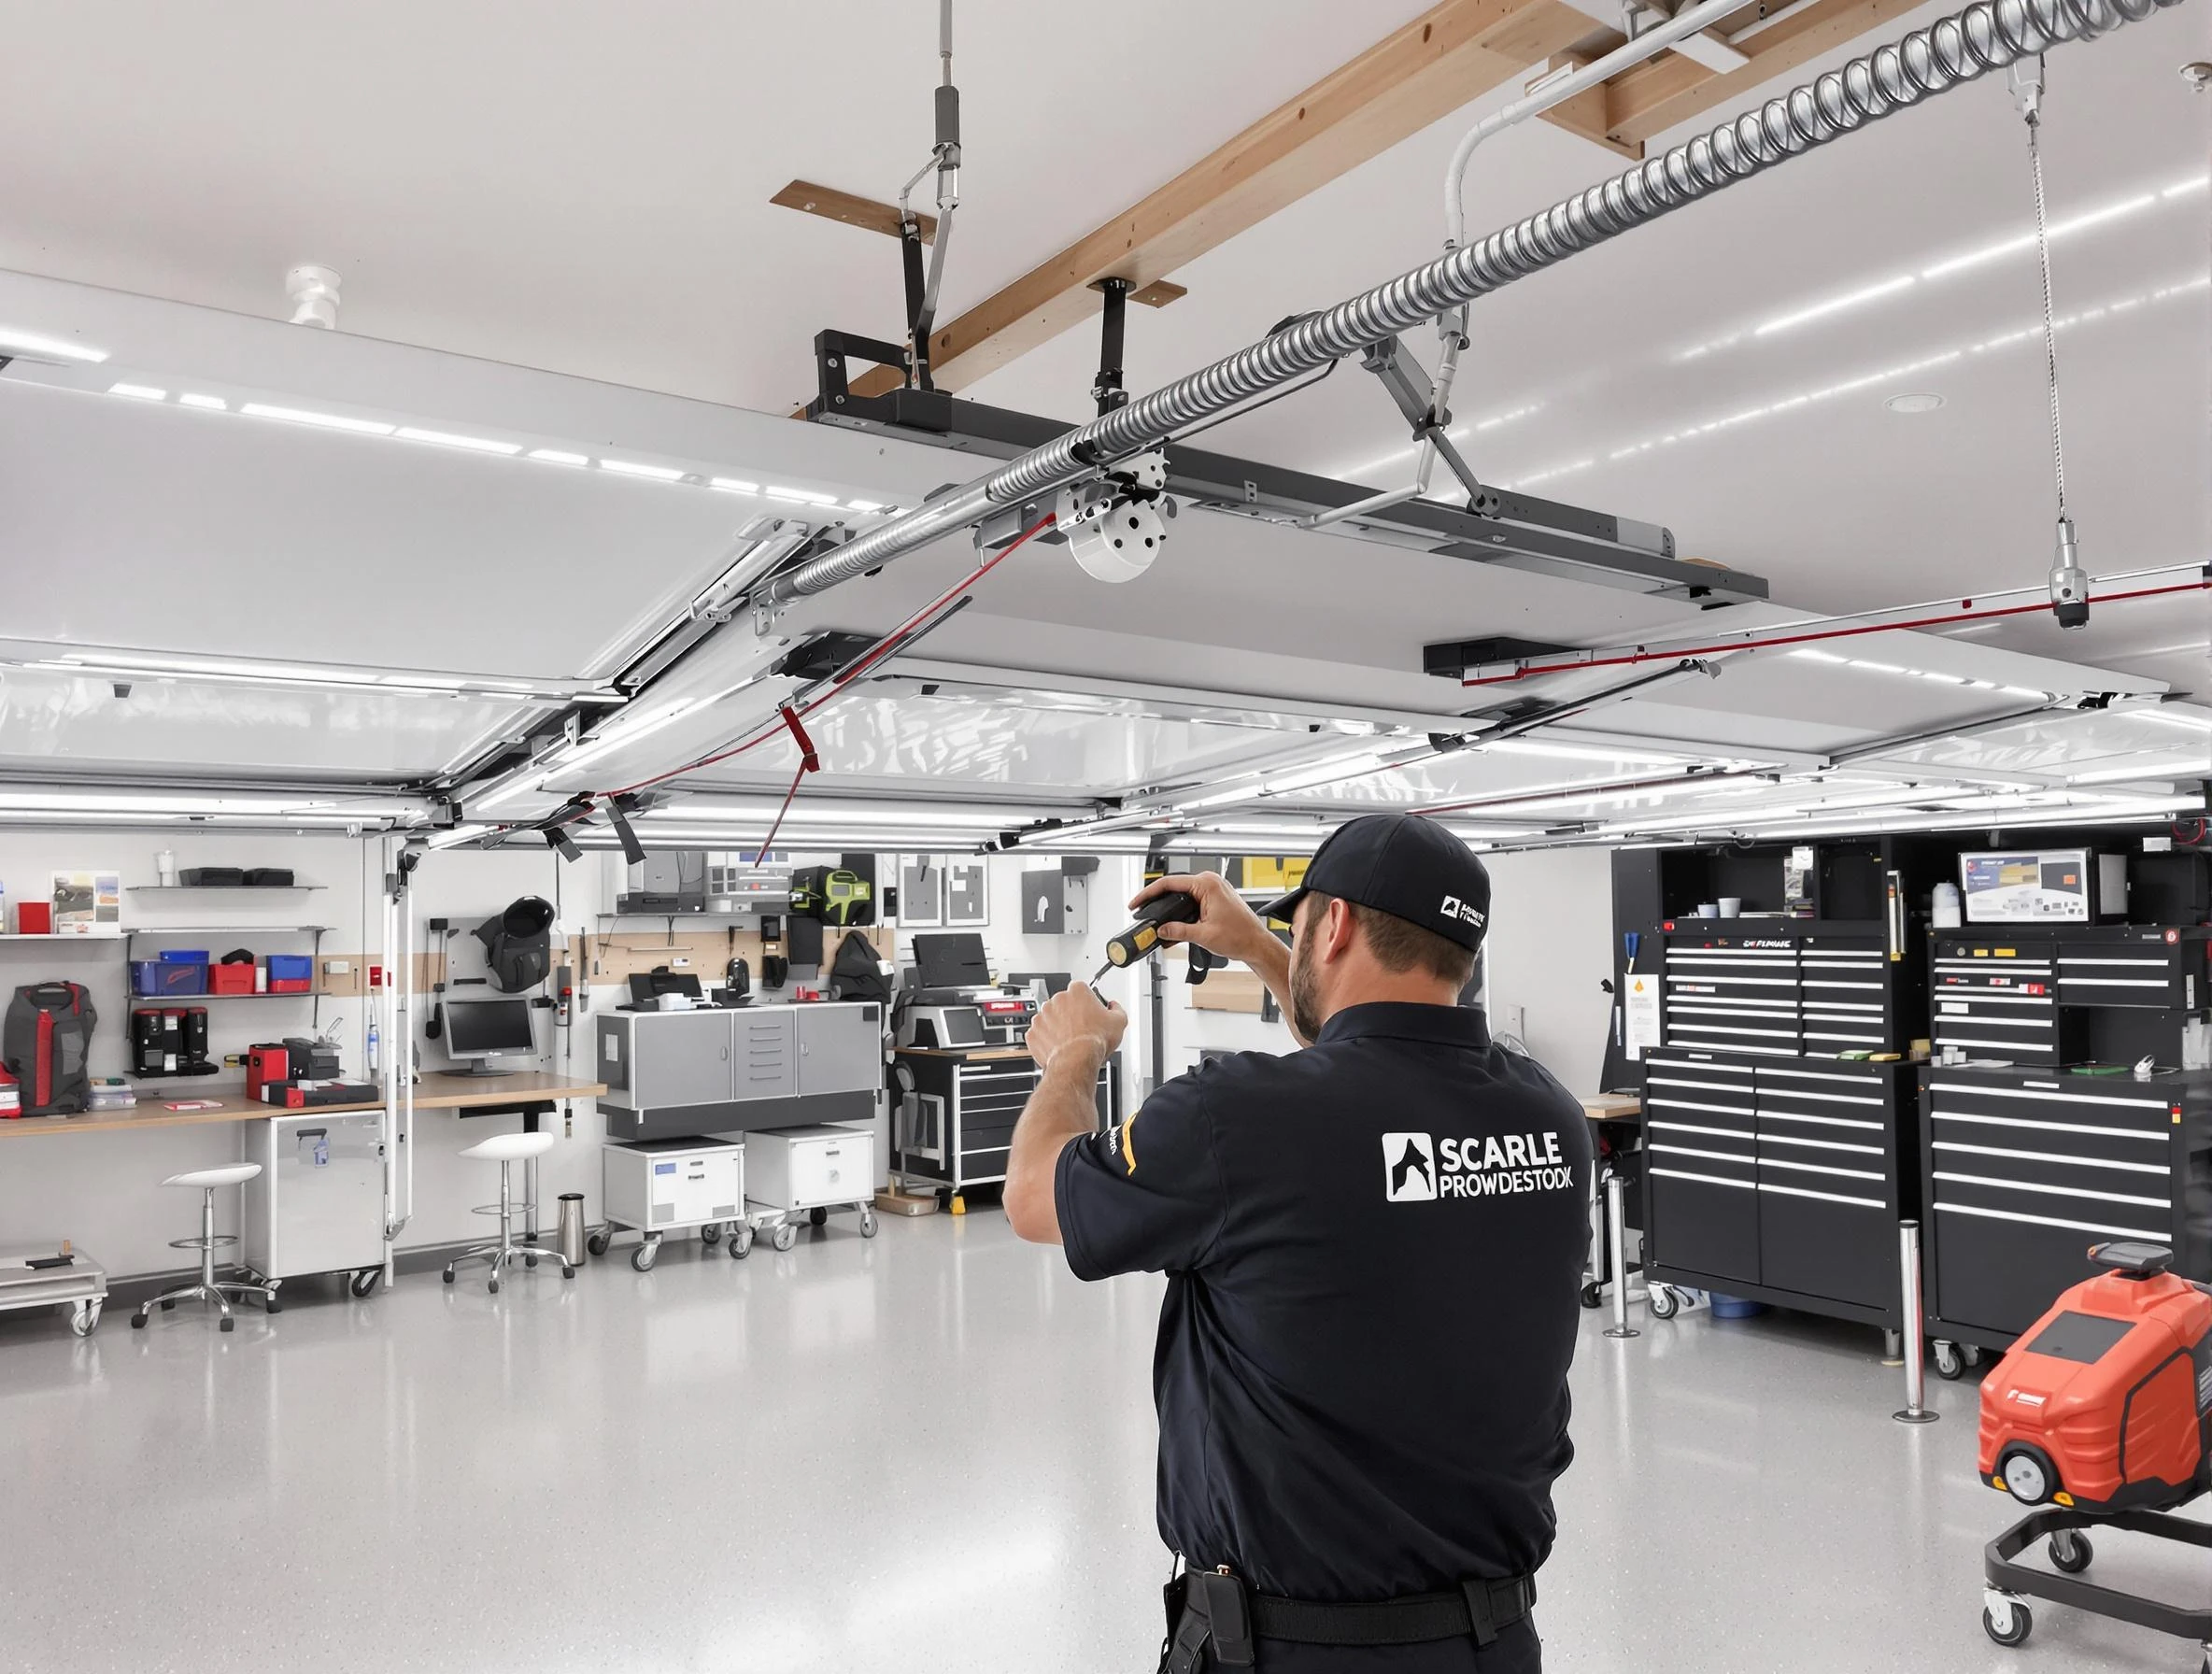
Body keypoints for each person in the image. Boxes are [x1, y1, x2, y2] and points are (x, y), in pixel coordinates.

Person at [1004, 814, 1593, 1673]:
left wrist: (1075, 1053)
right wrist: (1253, 941)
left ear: (1337, 923)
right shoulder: (1551, 1118)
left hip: (1290, 1649)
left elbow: (1031, 1196)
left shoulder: (1232, 1119)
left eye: (1301, 921)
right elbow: (1371, 1061)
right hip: (1494, 1643)